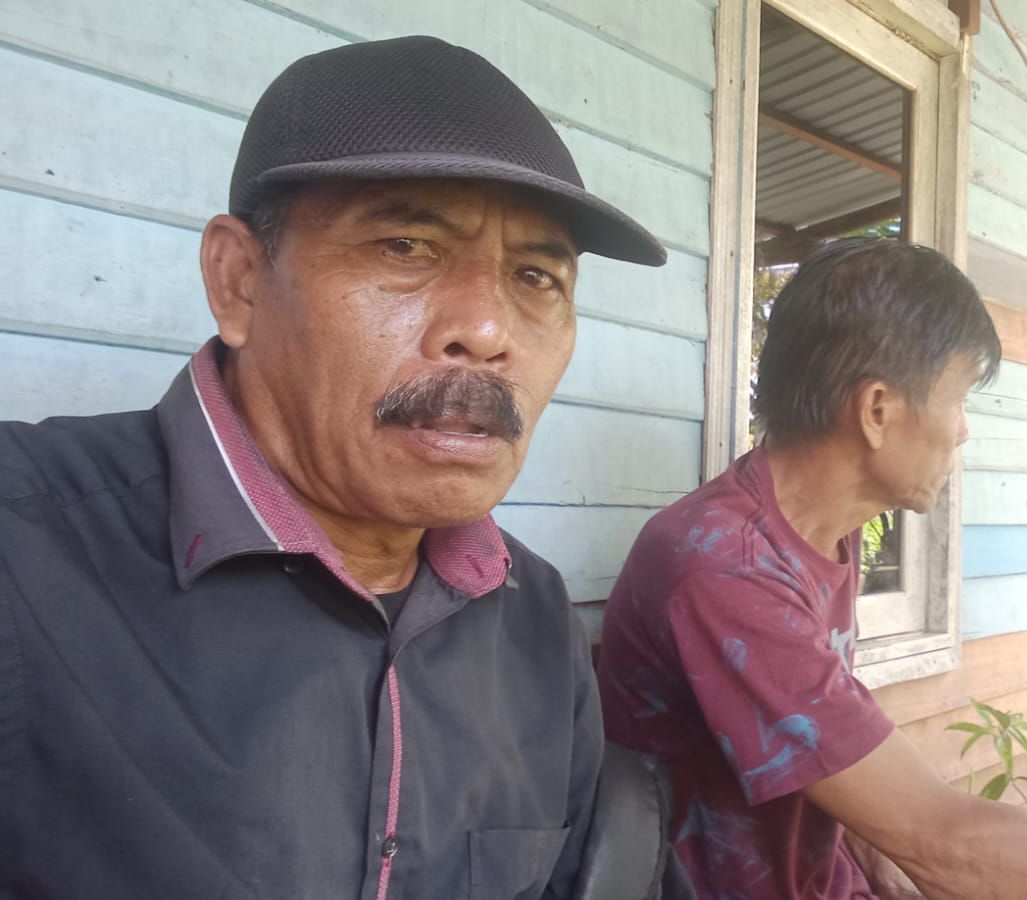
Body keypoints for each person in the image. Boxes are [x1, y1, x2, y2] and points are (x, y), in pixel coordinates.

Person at [0, 36, 689, 900]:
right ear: (240, 281)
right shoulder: (23, 552)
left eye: (535, 276)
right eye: (406, 246)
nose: (487, 330)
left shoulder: (536, 616)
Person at [598, 238, 1027, 899]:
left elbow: (832, 757)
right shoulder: (725, 565)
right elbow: (943, 840)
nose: (963, 430)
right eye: (959, 398)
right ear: (878, 410)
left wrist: (875, 841)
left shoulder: (818, 533)